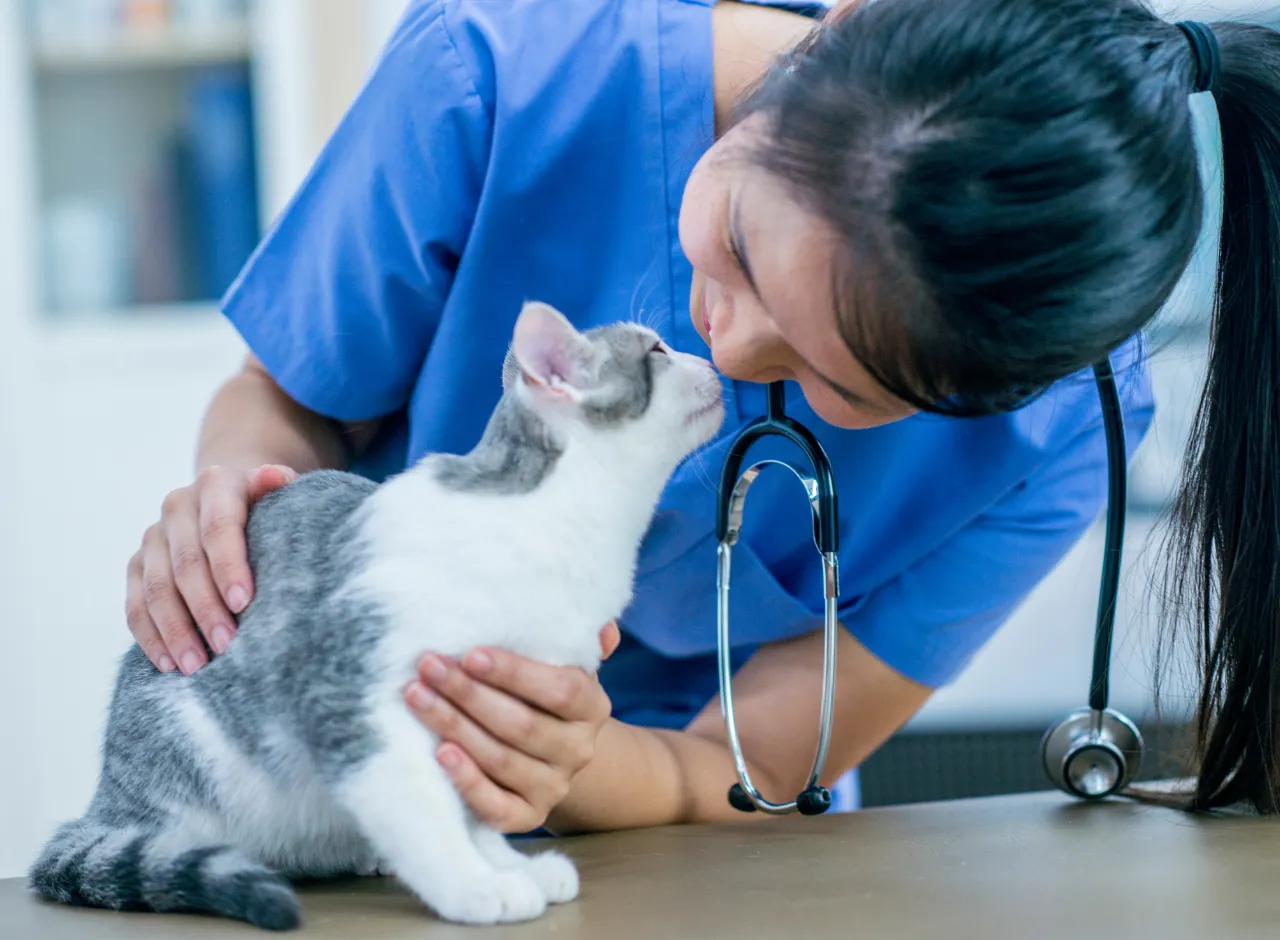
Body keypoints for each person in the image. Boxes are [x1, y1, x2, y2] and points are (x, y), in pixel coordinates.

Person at [124, 0, 1280, 833]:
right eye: (736, 242)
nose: (725, 347)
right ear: (836, 25)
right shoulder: (494, 71)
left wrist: (565, 761)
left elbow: (740, 767)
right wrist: (238, 494)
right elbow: (284, 402)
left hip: (708, 843)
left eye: (840, 389)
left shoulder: (1062, 434)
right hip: (349, 754)